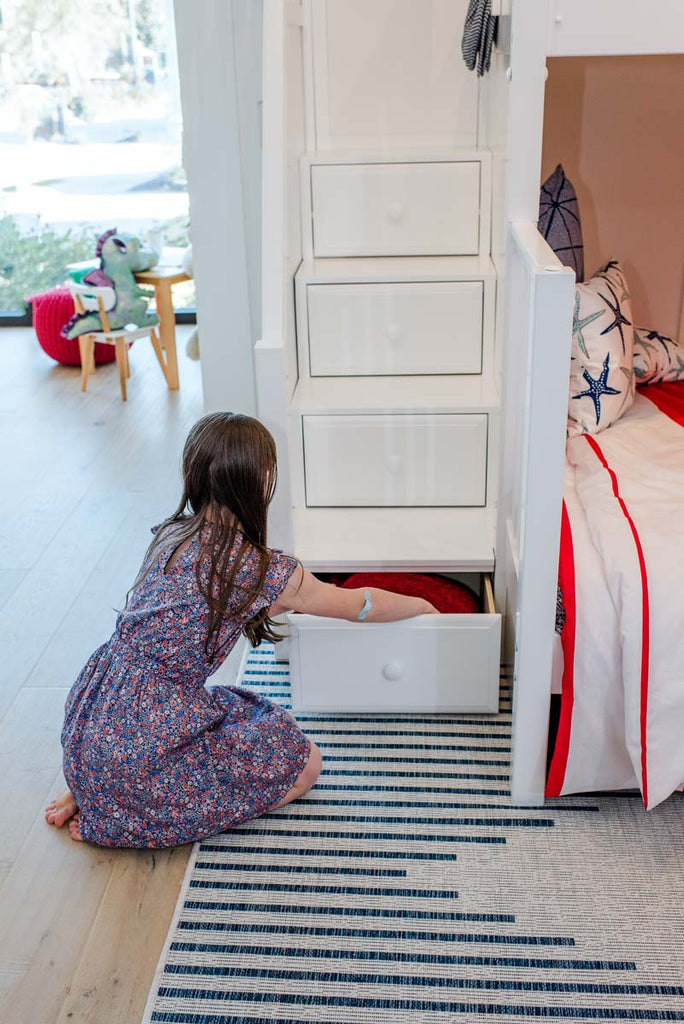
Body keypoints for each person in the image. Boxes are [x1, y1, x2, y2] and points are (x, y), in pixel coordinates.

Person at [45, 412, 438, 848]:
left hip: (91, 723)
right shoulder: (256, 570)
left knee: (231, 714)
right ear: (262, 479)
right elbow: (360, 604)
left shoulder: (171, 534)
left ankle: (95, 791)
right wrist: (421, 606)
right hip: (143, 748)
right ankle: (131, 809)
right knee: (304, 763)